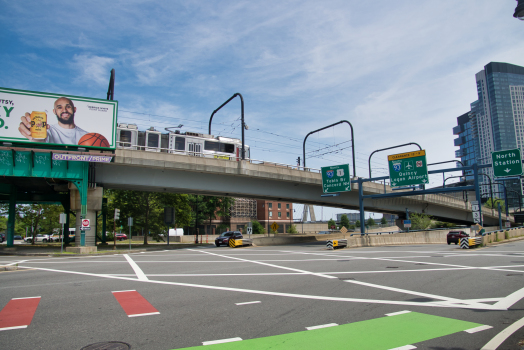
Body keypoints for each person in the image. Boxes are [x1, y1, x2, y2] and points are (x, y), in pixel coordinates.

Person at [19, 97, 88, 144]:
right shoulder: (48, 131)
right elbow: (38, 141)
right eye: (59, 107)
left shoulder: (86, 136)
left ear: (74, 109)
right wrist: (32, 131)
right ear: (54, 111)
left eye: (68, 107)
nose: (64, 110)